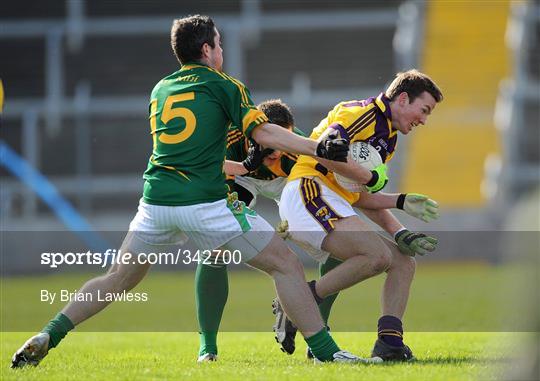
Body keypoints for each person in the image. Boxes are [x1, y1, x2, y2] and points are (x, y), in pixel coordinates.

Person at [10, 14, 384, 368]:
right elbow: (266, 132)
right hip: (203, 203)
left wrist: (245, 167)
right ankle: (326, 352)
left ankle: (49, 333)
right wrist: (319, 148)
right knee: (284, 265)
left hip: (154, 203)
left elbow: (192, 153)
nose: (221, 51)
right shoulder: (225, 85)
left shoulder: (162, 89)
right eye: (218, 44)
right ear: (206, 50)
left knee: (116, 279)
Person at [272, 69, 443, 362]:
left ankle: (390, 343)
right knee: (376, 256)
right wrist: (369, 176)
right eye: (423, 110)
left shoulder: (388, 138)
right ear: (403, 99)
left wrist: (400, 229)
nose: (424, 120)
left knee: (403, 261)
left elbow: (359, 196)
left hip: (332, 200)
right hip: (307, 191)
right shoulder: (362, 113)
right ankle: (296, 303)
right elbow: (326, 150)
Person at [196, 99, 305, 361]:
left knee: (333, 238)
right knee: (216, 247)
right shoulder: (230, 137)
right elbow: (206, 167)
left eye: (283, 142)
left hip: (287, 181)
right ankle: (207, 346)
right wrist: (244, 166)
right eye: (271, 140)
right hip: (240, 175)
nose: (277, 150)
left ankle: (313, 324)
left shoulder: (300, 149)